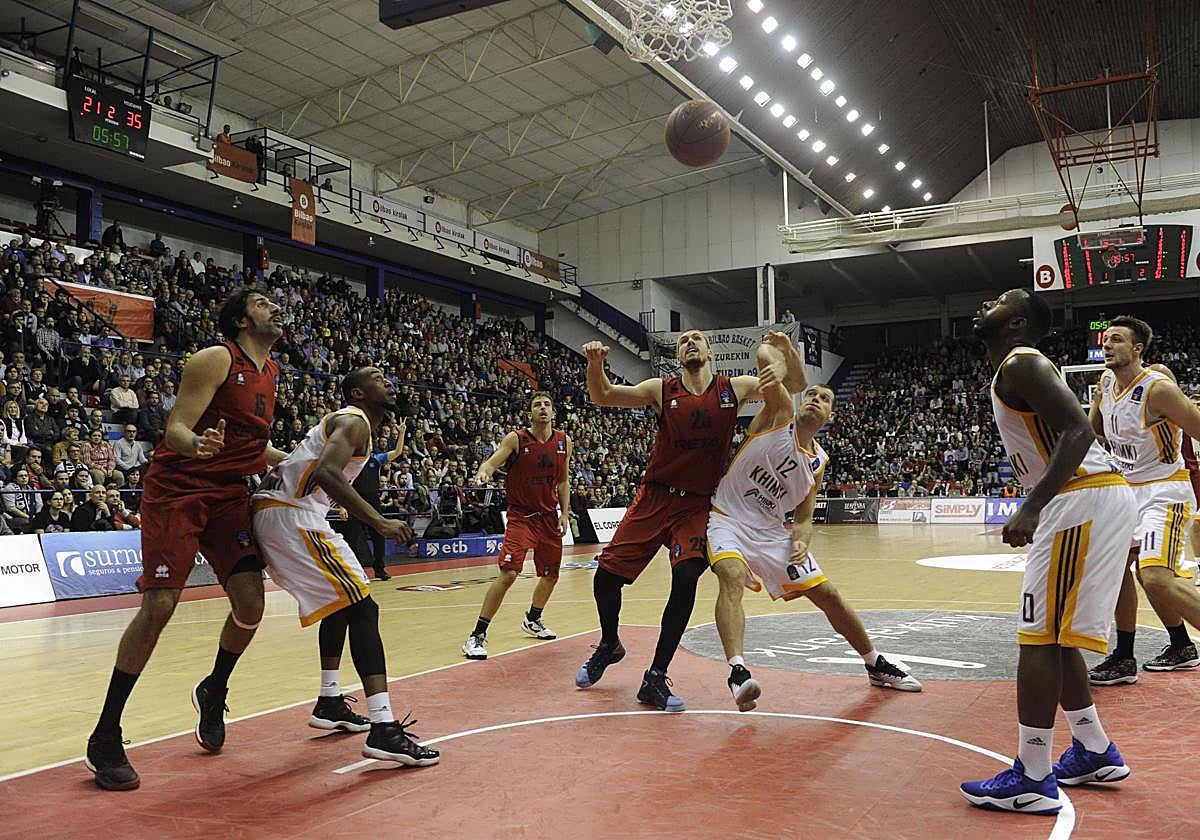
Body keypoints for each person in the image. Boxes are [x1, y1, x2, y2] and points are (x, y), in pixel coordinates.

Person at [86, 287, 285, 791]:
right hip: (179, 490)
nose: (275, 308)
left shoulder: (272, 371)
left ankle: (213, 688)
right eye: (263, 303)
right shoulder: (216, 358)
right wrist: (197, 444)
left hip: (227, 497)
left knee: (252, 604)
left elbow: (254, 447)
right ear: (241, 319)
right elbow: (176, 429)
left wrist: (309, 464)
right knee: (159, 605)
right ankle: (105, 734)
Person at [960, 288, 1132, 815]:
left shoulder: (1022, 361)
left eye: (1000, 300)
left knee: (1036, 638)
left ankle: (1033, 774)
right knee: (1054, 637)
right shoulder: (1015, 366)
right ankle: (1094, 748)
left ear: (1016, 324)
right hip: (1085, 499)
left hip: (1077, 500)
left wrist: (1032, 505)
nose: (984, 301)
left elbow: (1078, 430)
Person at [575, 330, 806, 711]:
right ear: (679, 356)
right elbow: (603, 395)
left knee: (686, 578)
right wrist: (596, 365)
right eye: (684, 341)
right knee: (605, 578)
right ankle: (609, 643)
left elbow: (793, 386)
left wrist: (786, 355)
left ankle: (654, 676)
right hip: (656, 496)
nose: (691, 342)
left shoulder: (734, 387)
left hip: (698, 505)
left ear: (710, 351)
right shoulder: (660, 389)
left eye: (697, 338)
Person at [708, 358, 921, 712]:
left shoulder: (818, 463)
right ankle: (737, 671)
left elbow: (804, 517)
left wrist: (803, 538)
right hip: (727, 519)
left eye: (823, 398)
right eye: (810, 395)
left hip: (772, 532)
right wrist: (780, 354)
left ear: (830, 416)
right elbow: (770, 365)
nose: (814, 399)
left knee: (829, 595)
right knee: (730, 577)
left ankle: (874, 663)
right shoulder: (776, 420)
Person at [251, 367, 439, 767]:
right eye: (376, 376)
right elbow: (327, 472)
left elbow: (307, 464)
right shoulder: (355, 420)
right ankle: (384, 729)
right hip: (292, 515)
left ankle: (330, 700)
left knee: (345, 604)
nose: (387, 380)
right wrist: (379, 521)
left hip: (290, 511)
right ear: (358, 391)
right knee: (364, 608)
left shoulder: (351, 425)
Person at [1085, 319, 1200, 684]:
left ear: (1137, 349)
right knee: (1117, 571)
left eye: (1116, 340)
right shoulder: (1105, 383)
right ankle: (1126, 656)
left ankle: (1181, 644)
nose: (1107, 345)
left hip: (1163, 490)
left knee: (1155, 578)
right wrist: (1095, 405)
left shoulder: (1158, 389)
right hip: (1124, 492)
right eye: (1105, 340)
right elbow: (1096, 432)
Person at [462, 391, 571, 660]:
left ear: (553, 412)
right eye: (537, 405)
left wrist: (565, 513)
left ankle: (533, 619)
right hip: (522, 516)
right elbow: (492, 462)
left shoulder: (563, 441)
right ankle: (476, 635)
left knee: (551, 575)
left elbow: (563, 481)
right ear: (530, 413)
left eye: (547, 404)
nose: (543, 408)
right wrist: (484, 472)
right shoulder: (517, 439)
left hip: (549, 518)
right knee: (509, 573)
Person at [337, 421, 407, 581]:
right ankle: (353, 571)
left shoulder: (376, 459)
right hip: (354, 501)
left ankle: (380, 569)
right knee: (352, 539)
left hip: (373, 501)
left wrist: (401, 433)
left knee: (379, 536)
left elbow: (397, 452)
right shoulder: (350, 461)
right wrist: (342, 506)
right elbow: (342, 484)